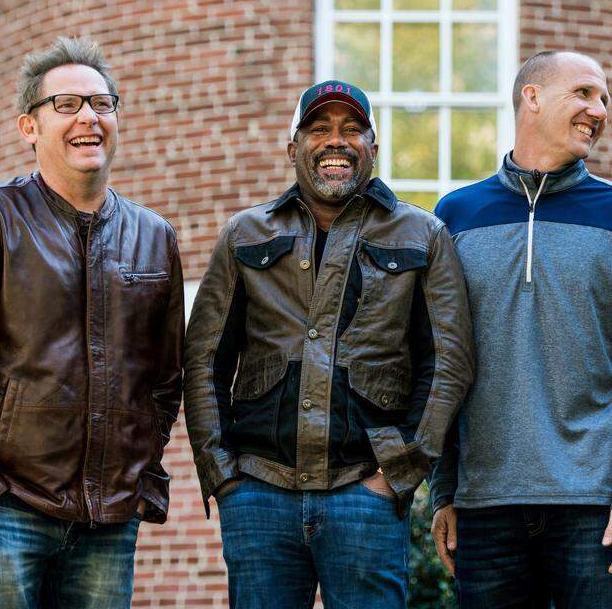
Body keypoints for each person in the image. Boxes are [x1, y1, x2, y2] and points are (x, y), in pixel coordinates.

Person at [0, 37, 184, 608]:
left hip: (108, 516)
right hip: (2, 511)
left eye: (102, 104)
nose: (88, 117)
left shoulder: (154, 237)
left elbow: (163, 379)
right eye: (65, 104)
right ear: (28, 127)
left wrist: (139, 479)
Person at [182, 79, 474, 607]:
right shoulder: (245, 234)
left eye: (352, 130)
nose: (336, 141)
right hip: (259, 493)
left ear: (373, 149)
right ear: (293, 148)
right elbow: (204, 360)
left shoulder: (422, 236)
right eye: (319, 129)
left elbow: (449, 363)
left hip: (365, 491)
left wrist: (399, 472)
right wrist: (224, 477)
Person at [429, 51, 612, 608]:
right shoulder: (456, 215)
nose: (599, 110)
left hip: (595, 507)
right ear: (533, 97)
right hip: (484, 504)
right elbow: (441, 362)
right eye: (585, 93)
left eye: (605, 100)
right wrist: (443, 489)